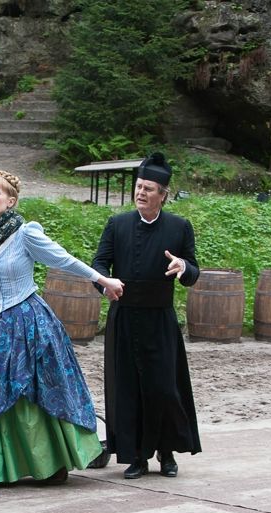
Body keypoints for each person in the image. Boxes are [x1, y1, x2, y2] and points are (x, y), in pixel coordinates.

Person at [0, 170, 124, 486]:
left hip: (26, 318)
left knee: (33, 387)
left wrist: (102, 280)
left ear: (11, 201)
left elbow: (64, 260)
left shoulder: (27, 234)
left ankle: (47, 463)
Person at [91, 152, 201, 479]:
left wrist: (184, 267)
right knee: (128, 388)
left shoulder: (180, 227)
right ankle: (137, 456)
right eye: (138, 186)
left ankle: (166, 453)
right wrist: (105, 284)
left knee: (164, 387)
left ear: (163, 195)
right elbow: (98, 265)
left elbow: (194, 271)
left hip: (160, 320)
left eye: (149, 188)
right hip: (124, 318)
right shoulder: (117, 224)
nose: (141, 192)